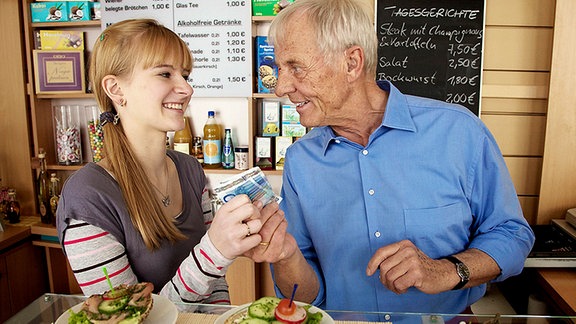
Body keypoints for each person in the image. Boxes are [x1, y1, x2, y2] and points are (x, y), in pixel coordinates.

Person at [249, 0, 535, 316]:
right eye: (279, 69)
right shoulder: (301, 160)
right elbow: (306, 298)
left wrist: (447, 270)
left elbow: (512, 235)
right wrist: (286, 257)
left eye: (295, 67)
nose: (281, 87)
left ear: (352, 62)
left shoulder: (459, 132)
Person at [56, 19, 278, 304]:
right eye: (165, 74)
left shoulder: (189, 169)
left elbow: (214, 282)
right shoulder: (88, 197)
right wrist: (215, 250)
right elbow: (129, 318)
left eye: (185, 75)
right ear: (116, 89)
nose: (186, 89)